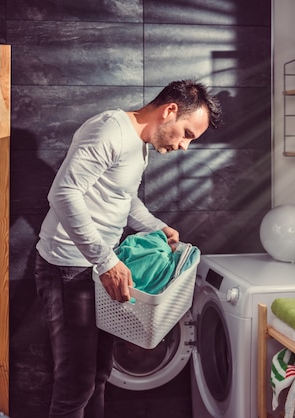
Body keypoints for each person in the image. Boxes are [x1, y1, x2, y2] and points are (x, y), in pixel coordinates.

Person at [34, 80, 222, 418]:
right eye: (187, 134)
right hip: (68, 268)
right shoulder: (109, 130)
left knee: (99, 375)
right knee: (75, 385)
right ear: (170, 111)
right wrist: (107, 262)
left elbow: (123, 199)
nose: (184, 146)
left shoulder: (140, 145)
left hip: (97, 269)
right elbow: (63, 193)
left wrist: (156, 227)